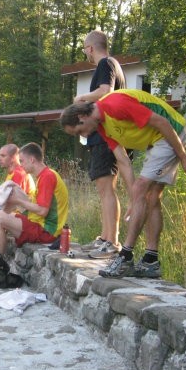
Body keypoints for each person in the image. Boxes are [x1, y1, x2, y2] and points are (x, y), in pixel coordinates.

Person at [60, 89, 186, 278]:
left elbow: (161, 122)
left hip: (172, 133)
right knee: (150, 197)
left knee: (143, 188)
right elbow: (122, 160)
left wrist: (183, 156)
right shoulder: (102, 126)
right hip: (156, 141)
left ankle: (126, 256)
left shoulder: (115, 105)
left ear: (82, 116)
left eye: (80, 130)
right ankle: (151, 260)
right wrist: (133, 198)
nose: (83, 135)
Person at [74, 30, 127, 259]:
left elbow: (106, 91)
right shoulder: (112, 64)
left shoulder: (105, 63)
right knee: (104, 188)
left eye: (85, 48)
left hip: (107, 134)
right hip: (108, 135)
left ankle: (112, 242)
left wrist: (81, 98)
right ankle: (105, 238)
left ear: (91, 48)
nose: (86, 52)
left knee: (107, 189)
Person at [0, 142, 69, 259]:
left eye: (22, 161)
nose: (20, 165)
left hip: (47, 231)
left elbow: (42, 211)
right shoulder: (44, 175)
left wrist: (18, 201)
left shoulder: (47, 177)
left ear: (32, 159)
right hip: (39, 224)